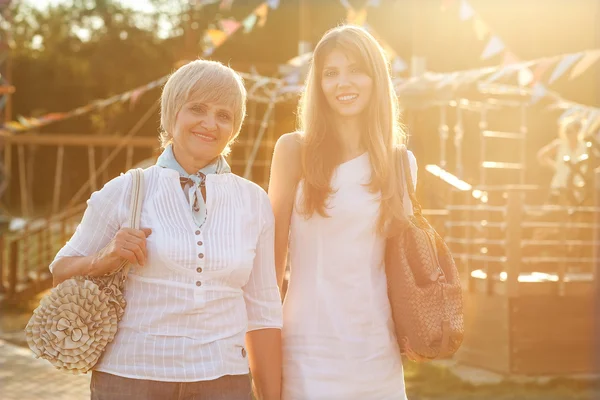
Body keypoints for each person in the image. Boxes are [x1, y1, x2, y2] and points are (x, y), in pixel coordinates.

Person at [50, 60, 282, 400]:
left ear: (235, 127)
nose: (210, 123)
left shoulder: (254, 200)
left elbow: (263, 309)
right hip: (130, 377)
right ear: (172, 113)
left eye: (224, 114)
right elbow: (59, 273)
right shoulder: (127, 189)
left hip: (225, 380)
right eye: (198, 109)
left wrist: (271, 395)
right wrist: (104, 257)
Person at [268, 25, 417, 400]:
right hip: (306, 346)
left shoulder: (401, 163)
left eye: (355, 69)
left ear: (376, 78)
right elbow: (270, 261)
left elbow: (398, 262)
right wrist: (261, 346)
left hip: (376, 348)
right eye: (330, 73)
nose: (342, 83)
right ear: (317, 84)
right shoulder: (293, 151)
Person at [537, 118, 587, 205]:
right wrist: (555, 166)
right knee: (554, 213)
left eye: (570, 131)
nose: (567, 134)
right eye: (566, 131)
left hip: (578, 189)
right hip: (559, 187)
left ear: (578, 131)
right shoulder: (559, 145)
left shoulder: (586, 147)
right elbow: (541, 156)